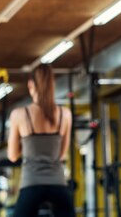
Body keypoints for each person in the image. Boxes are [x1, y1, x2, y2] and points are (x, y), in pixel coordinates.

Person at [7, 64, 74, 217]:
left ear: (30, 85)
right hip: (58, 184)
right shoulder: (65, 114)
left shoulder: (19, 114)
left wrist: (27, 145)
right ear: (53, 85)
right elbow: (61, 154)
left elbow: (12, 156)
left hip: (31, 184)